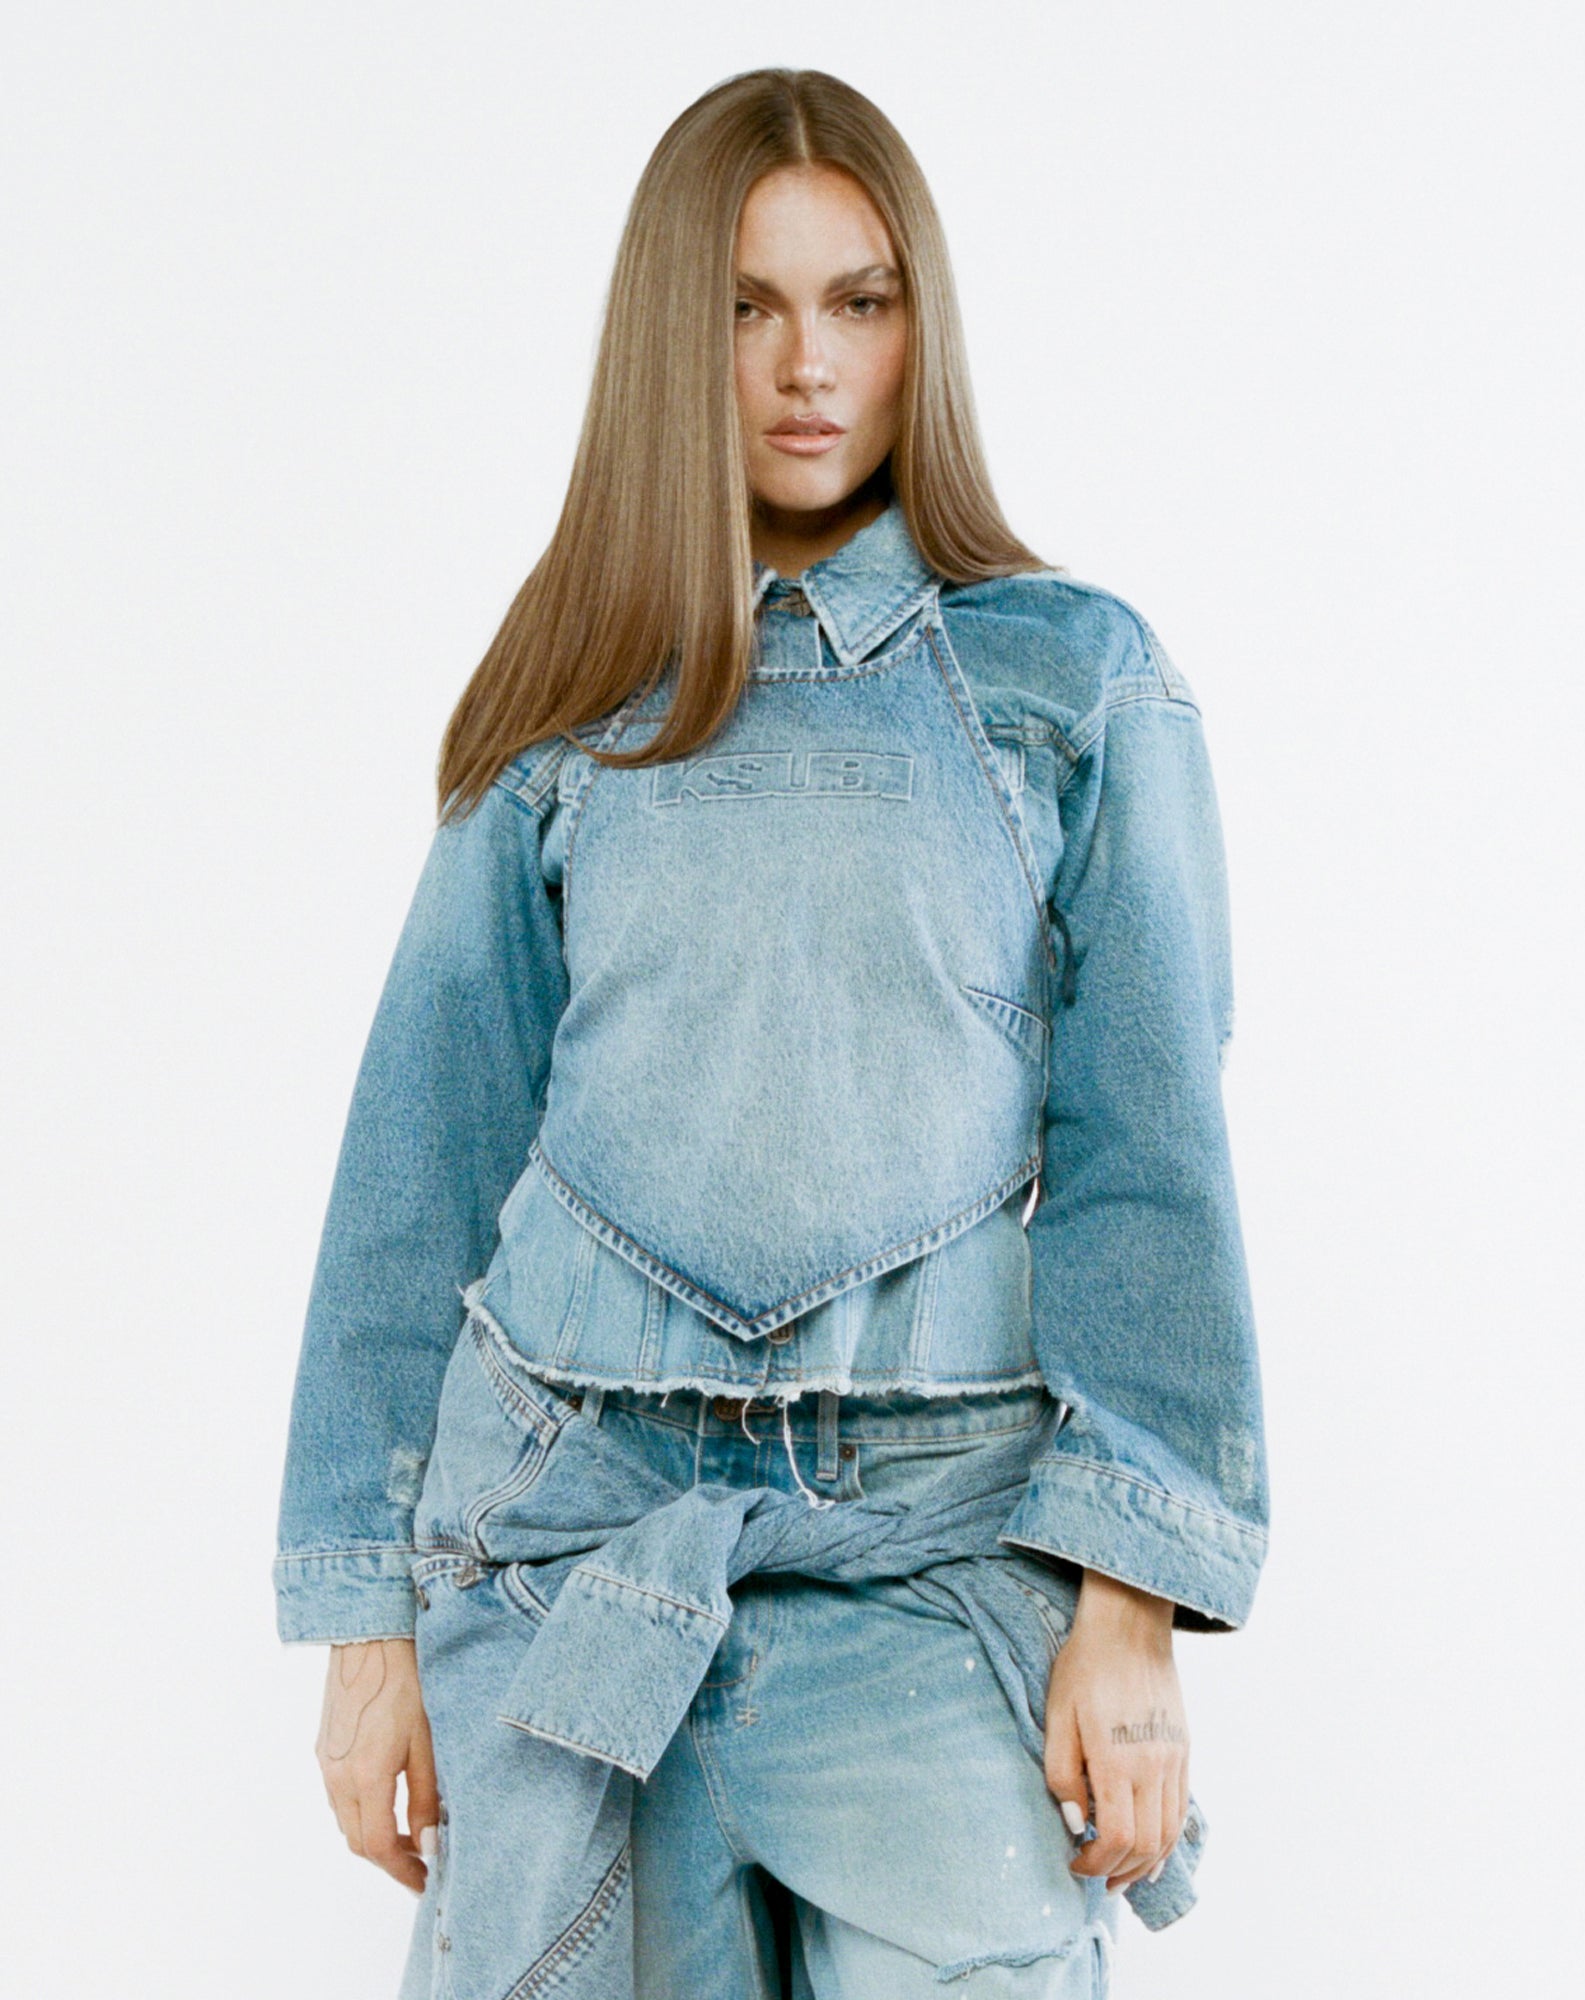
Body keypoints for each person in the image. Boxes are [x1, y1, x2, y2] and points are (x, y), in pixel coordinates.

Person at [274, 66, 1269, 2000]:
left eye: (858, 302)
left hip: (939, 1552)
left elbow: (1152, 1159)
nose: (807, 365)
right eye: (746, 308)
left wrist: (1133, 1605)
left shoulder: (1074, 680)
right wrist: (361, 1616)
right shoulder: (570, 691)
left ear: (919, 327)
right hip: (569, 1546)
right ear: (673, 334)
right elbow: (423, 1154)